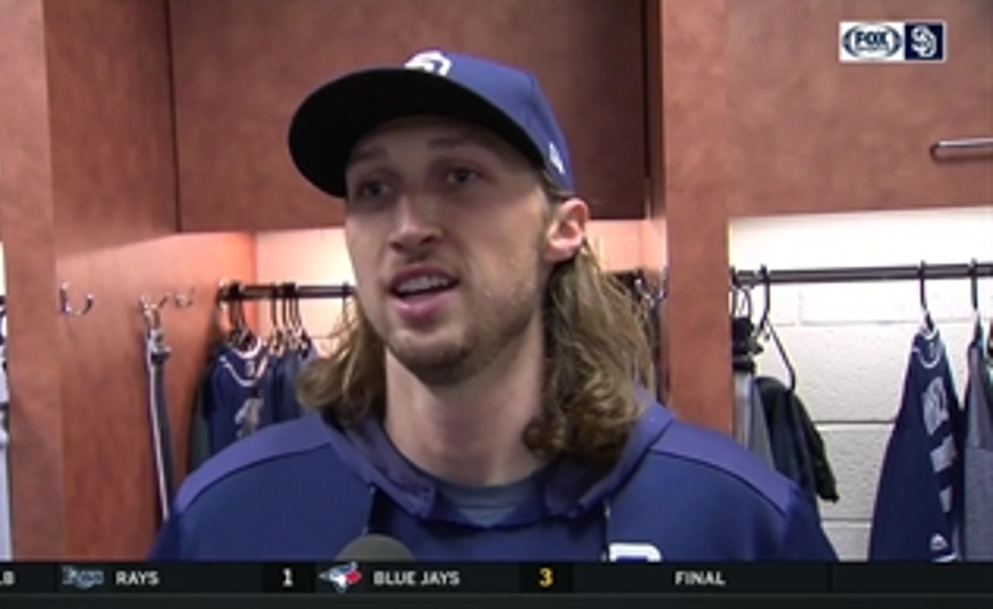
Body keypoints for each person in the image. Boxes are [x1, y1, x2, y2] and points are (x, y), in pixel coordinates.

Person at [149, 49, 837, 562]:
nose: (409, 225)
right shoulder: (225, 521)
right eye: (373, 189)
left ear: (562, 229)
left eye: (460, 176)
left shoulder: (739, 523)